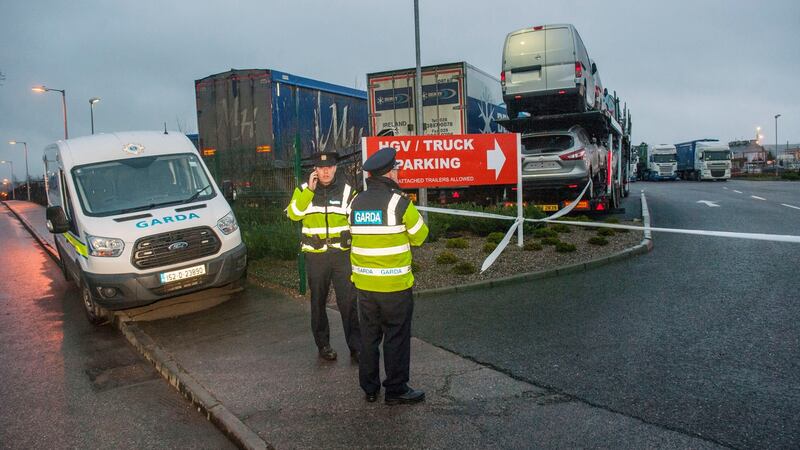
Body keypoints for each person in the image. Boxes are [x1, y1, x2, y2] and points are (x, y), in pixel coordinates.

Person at [349, 147, 429, 405]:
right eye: (396, 169)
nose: (398, 172)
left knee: (369, 338)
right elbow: (421, 236)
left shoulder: (355, 202)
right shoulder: (399, 203)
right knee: (396, 337)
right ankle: (396, 390)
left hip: (364, 285)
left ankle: (369, 389)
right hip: (394, 286)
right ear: (390, 172)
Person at [286, 151, 361, 362]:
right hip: (316, 257)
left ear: (336, 168)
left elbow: (356, 222)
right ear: (315, 170)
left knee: (348, 302)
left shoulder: (348, 192)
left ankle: (356, 347)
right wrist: (309, 191)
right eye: (321, 168)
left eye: (329, 167)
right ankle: (323, 345)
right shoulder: (303, 191)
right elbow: (293, 214)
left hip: (341, 256)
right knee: (318, 302)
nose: (325, 171)